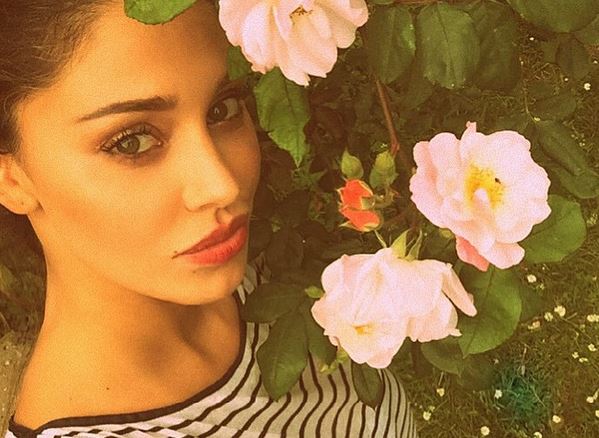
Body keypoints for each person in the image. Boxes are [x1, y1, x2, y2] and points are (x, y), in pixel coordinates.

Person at [0, 1, 417, 436]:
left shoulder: (269, 279)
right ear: (12, 180)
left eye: (223, 109)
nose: (224, 186)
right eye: (131, 142)